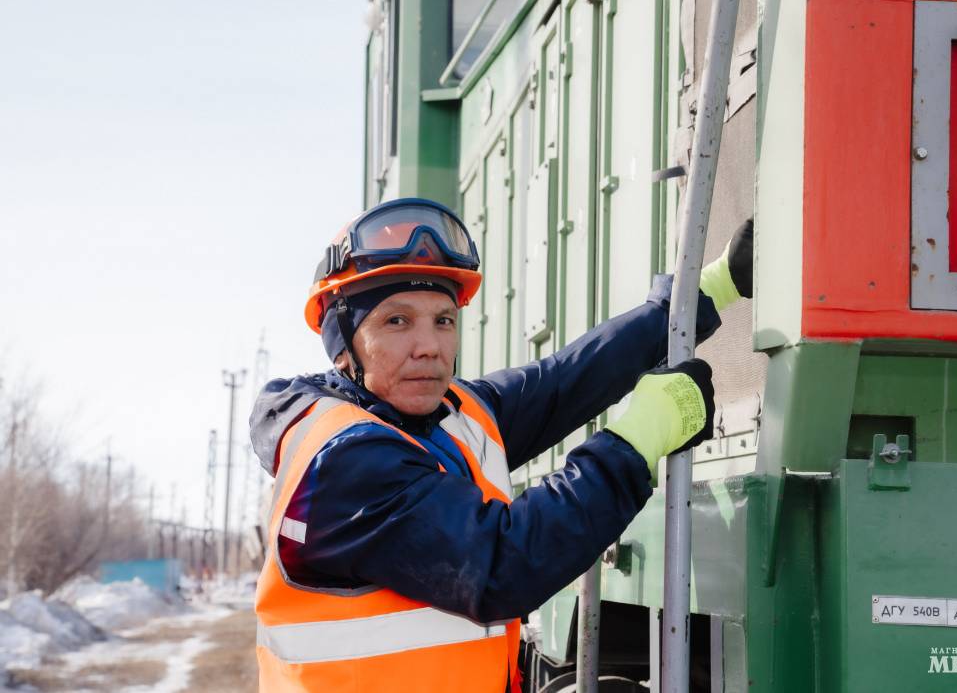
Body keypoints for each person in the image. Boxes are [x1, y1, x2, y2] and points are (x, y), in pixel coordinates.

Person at [250, 197, 753, 692]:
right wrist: (640, 437)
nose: (429, 345)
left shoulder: (447, 415)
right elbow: (502, 565)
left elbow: (566, 381)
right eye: (397, 321)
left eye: (443, 320)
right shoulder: (341, 463)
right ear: (344, 345)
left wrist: (711, 287)